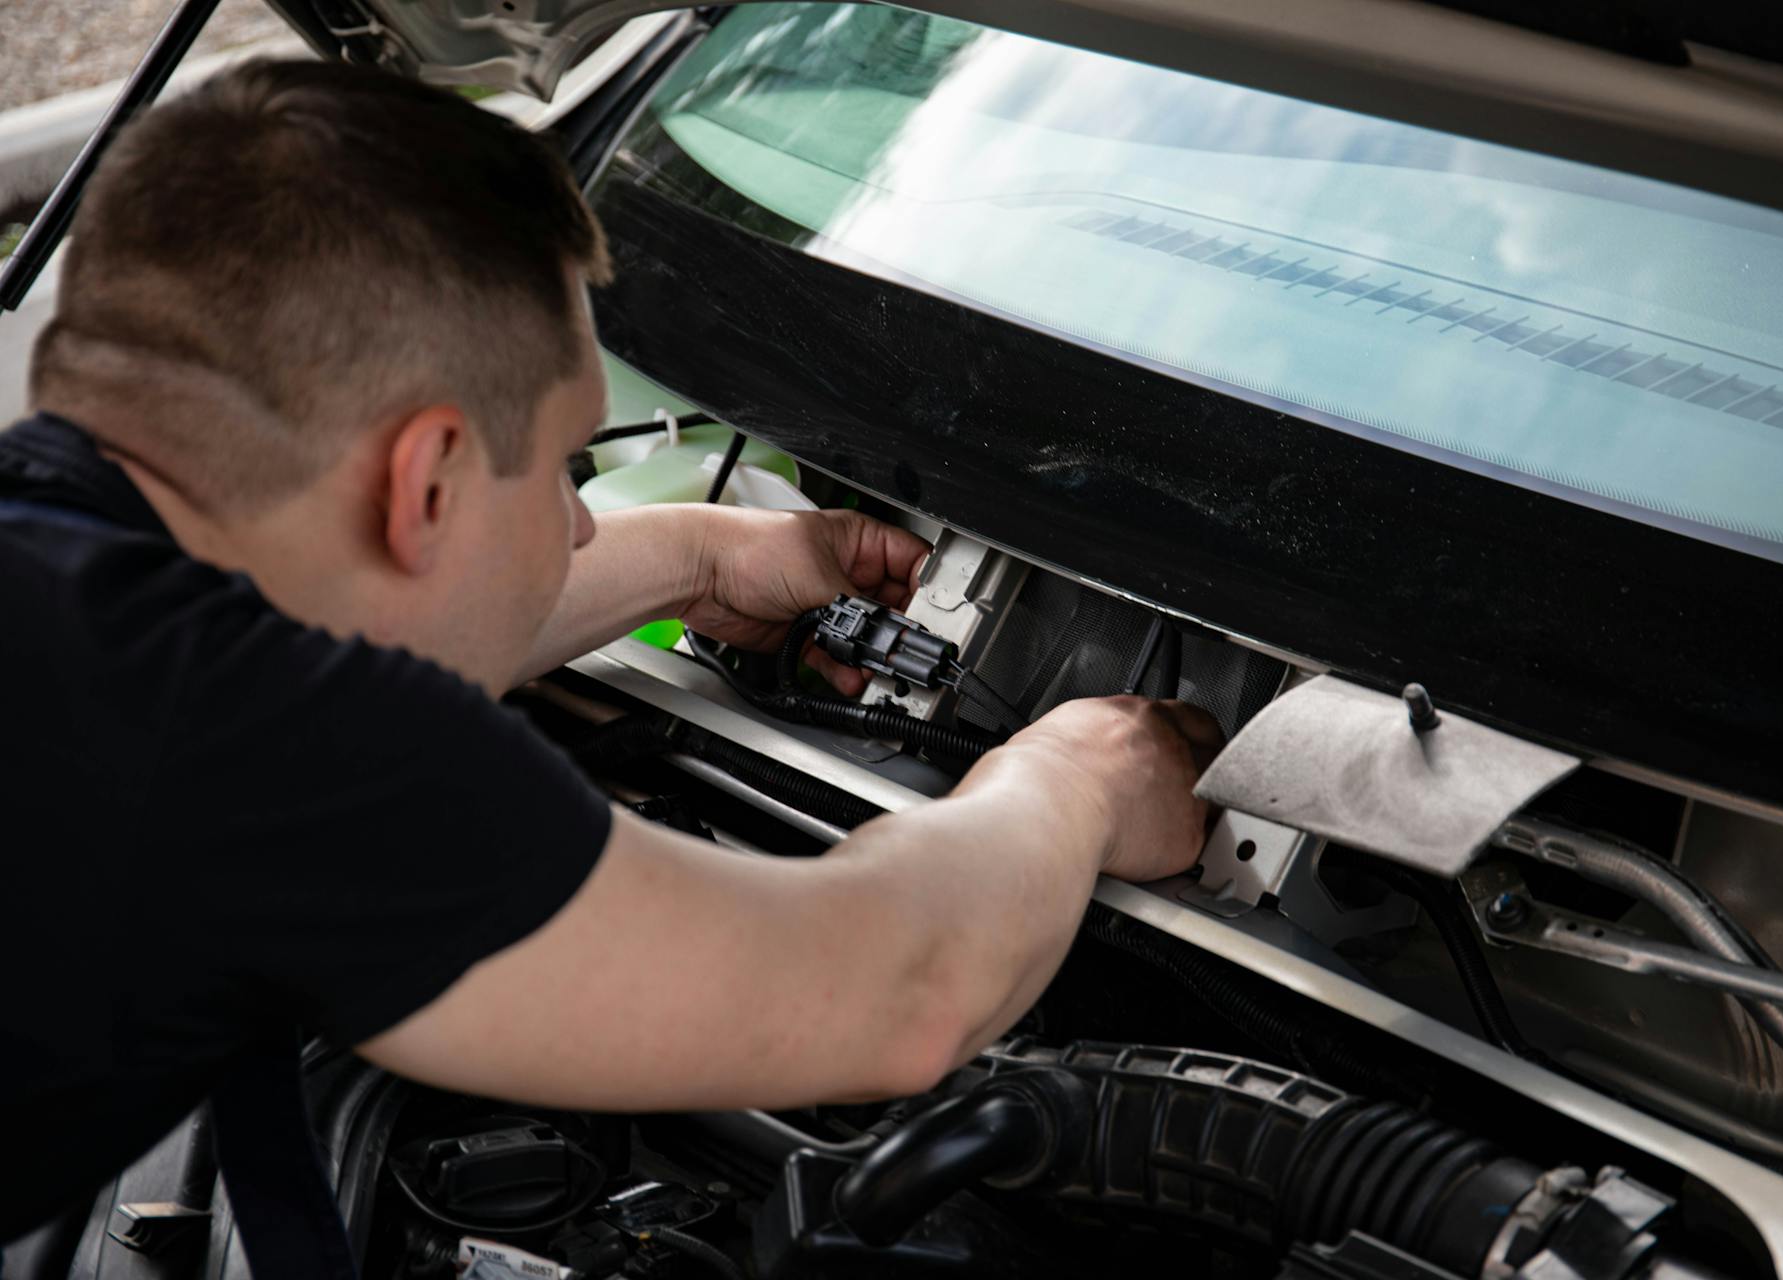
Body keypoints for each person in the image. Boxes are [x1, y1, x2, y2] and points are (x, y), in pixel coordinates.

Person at [0, 59, 1220, 1252]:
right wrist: (1081, 776)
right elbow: (896, 992)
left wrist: (691, 556)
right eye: (563, 465)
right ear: (425, 477)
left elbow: (323, 627)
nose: (583, 519)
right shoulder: (253, 748)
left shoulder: (59, 557)